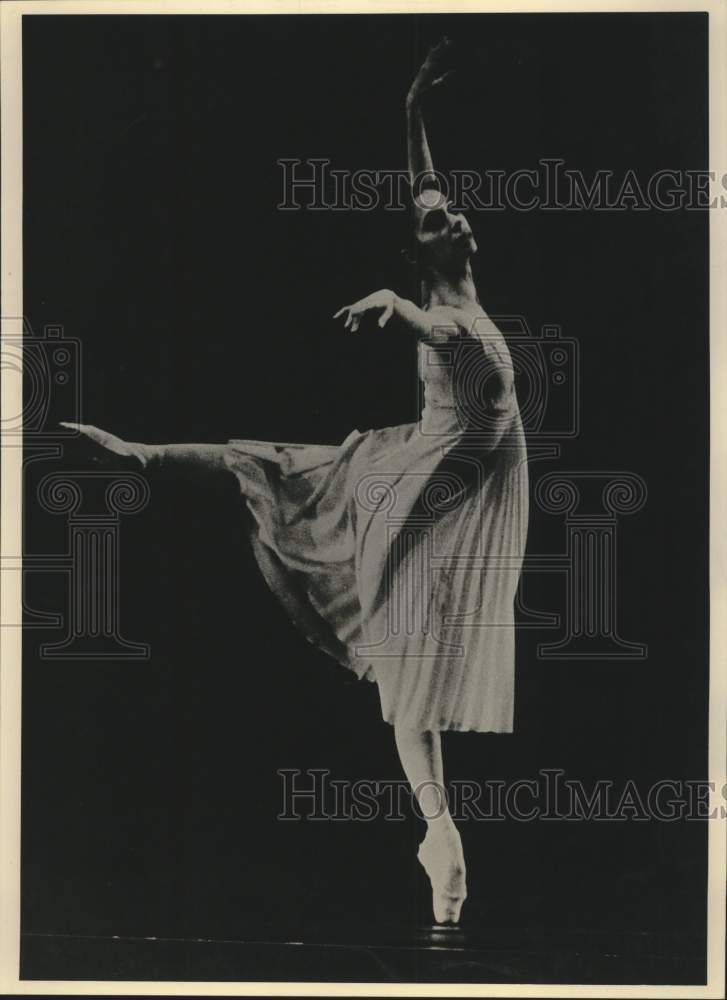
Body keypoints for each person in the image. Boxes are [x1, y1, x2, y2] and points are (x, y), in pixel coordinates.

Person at [61, 38, 529, 926]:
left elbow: (422, 196)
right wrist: (393, 308)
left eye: (452, 210)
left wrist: (409, 111)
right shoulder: (442, 313)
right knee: (279, 470)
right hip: (419, 482)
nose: (453, 216)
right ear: (417, 255)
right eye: (435, 223)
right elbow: (444, 339)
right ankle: (145, 455)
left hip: (451, 474)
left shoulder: (457, 280)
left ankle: (437, 837)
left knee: (409, 670)